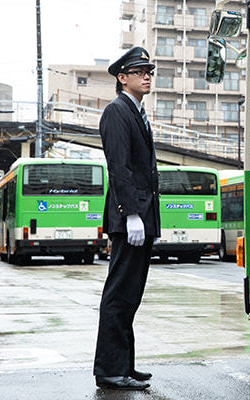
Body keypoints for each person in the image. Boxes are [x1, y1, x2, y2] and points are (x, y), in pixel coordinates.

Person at [93, 46, 160, 390]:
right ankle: (109, 370)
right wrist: (131, 214)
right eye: (139, 71)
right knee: (119, 294)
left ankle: (124, 365)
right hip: (130, 218)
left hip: (141, 218)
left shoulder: (136, 111)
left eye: (149, 71)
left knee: (130, 294)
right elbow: (119, 167)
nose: (147, 76)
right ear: (122, 78)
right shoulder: (117, 111)